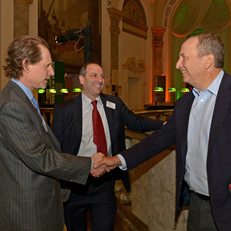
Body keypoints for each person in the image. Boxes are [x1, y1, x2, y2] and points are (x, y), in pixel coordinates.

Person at [99, 33, 231, 230]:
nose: (177, 64)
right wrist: (118, 160)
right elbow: (158, 140)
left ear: (208, 61)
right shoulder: (185, 103)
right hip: (196, 205)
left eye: (183, 57)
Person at [0, 35, 105, 231]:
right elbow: (40, 158)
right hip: (29, 213)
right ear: (26, 64)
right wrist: (89, 163)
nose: (51, 72)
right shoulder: (13, 104)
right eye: (47, 65)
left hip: (42, 206)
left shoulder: (23, 98)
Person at [52, 62, 164, 231]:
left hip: (105, 182)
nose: (100, 80)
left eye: (102, 76)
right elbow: (55, 146)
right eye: (94, 75)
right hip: (75, 183)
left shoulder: (114, 104)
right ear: (82, 79)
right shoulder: (65, 109)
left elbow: (136, 122)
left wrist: (165, 125)